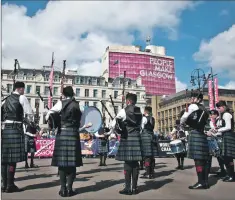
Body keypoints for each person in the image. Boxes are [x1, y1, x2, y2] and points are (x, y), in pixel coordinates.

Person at [45, 86, 82, 197]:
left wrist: (53, 123)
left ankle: (63, 189)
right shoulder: (78, 105)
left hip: (62, 134)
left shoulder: (60, 103)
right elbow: (81, 121)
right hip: (74, 134)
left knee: (62, 163)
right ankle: (70, 189)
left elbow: (49, 115)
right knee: (72, 164)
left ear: (64, 94)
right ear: (73, 94)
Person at [1, 81, 34, 193]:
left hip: (6, 129)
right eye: (23, 89)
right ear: (20, 89)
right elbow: (29, 113)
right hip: (16, 129)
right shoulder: (22, 98)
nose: (23, 91)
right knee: (12, 159)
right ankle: (10, 185)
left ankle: (4, 184)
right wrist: (28, 121)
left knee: (4, 159)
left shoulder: (5, 99)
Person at [110, 93, 143, 195]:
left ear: (128, 101)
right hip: (136, 137)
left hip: (127, 137)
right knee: (135, 163)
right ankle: (135, 188)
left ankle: (128, 188)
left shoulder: (124, 110)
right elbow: (141, 127)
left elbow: (113, 124)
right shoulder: (139, 112)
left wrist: (119, 130)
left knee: (128, 163)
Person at [180, 92, 210, 189]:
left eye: (193, 97)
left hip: (195, 132)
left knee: (198, 160)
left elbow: (184, 117)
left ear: (198, 99)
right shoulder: (205, 109)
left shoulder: (192, 106)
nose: (192, 98)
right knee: (204, 159)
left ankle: (200, 182)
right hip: (202, 134)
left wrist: (182, 124)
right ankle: (205, 182)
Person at [209, 101, 235, 182]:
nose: (218, 110)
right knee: (227, 157)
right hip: (226, 136)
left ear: (223, 106)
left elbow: (228, 127)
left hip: (228, 136)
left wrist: (217, 130)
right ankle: (230, 174)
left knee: (228, 157)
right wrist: (217, 130)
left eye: (219, 108)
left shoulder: (226, 114)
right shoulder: (224, 114)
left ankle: (232, 176)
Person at [206, 110, 226, 177]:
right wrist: (210, 131)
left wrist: (211, 132)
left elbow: (219, 130)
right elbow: (214, 129)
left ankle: (223, 170)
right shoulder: (212, 121)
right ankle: (222, 170)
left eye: (211, 115)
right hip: (215, 138)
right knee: (216, 154)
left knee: (220, 155)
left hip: (219, 138)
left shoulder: (219, 120)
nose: (210, 116)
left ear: (215, 114)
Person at [140, 106, 156, 179]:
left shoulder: (144, 118)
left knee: (146, 156)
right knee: (151, 156)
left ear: (145, 111)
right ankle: (152, 172)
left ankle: (147, 173)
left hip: (145, 137)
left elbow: (142, 128)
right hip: (152, 136)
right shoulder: (152, 118)